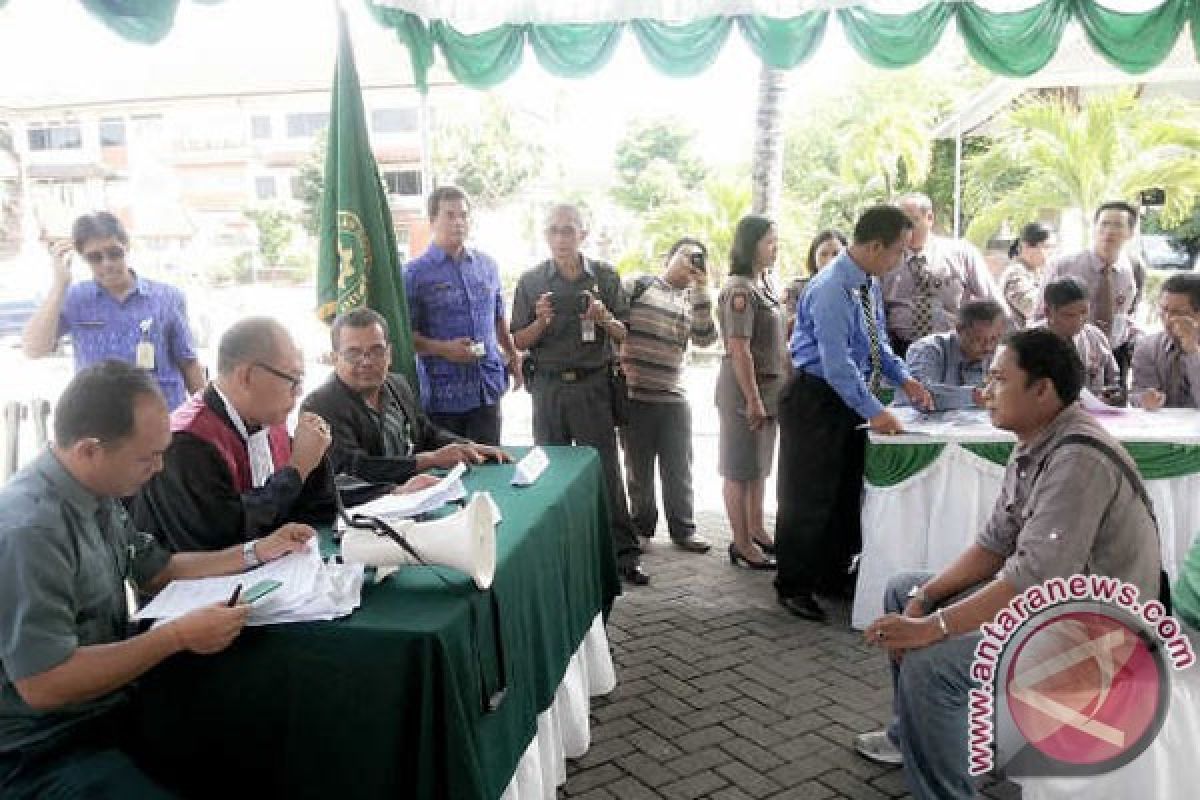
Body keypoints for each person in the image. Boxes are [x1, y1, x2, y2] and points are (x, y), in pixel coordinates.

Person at [855, 328, 1161, 800]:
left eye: (999, 379)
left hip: (1099, 638)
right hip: (1056, 611)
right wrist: (927, 599)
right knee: (904, 589)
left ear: (1042, 390)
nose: (986, 391)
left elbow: (1032, 579)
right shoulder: (1036, 440)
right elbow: (994, 544)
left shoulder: (1078, 459)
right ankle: (911, 737)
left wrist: (933, 628)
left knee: (933, 665)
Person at [0, 361, 313, 798]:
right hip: (40, 750)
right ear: (90, 450)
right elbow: (45, 683)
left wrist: (255, 551)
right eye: (147, 457)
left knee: (264, 742)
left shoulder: (99, 492)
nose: (160, 468)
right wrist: (175, 637)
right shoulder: (31, 529)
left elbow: (158, 571)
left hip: (113, 710)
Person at [775, 206, 934, 622]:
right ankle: (794, 584)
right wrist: (875, 410)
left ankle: (830, 574)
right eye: (897, 252)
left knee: (844, 493)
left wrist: (905, 380)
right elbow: (836, 363)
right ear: (875, 245)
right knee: (808, 495)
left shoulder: (867, 283)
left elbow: (878, 341)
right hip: (816, 398)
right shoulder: (830, 287)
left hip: (849, 398)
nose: (900, 260)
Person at [510, 204, 644, 585]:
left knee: (604, 470)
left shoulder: (604, 275)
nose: (561, 239)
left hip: (593, 385)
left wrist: (602, 316)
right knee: (550, 470)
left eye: (568, 230)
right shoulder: (532, 280)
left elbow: (623, 333)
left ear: (583, 233)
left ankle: (623, 553)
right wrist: (541, 321)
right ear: (545, 235)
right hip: (549, 386)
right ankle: (556, 549)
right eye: (554, 231)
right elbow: (518, 340)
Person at [130, 317, 332, 553]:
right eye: (292, 380)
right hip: (199, 584)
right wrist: (298, 468)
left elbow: (311, 511)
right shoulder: (185, 443)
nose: (299, 392)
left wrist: (315, 459)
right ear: (246, 376)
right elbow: (223, 537)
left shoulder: (268, 420)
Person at [301, 308, 509, 490]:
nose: (366, 362)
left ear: (389, 354)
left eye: (376, 351)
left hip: (416, 494)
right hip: (363, 514)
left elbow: (426, 433)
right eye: (354, 353)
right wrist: (430, 460)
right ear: (335, 358)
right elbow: (354, 469)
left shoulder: (398, 384)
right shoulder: (320, 405)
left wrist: (467, 446)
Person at [22, 212, 206, 410]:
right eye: (94, 257)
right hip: (101, 421)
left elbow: (188, 363)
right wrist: (59, 286)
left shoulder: (167, 297)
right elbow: (33, 349)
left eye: (114, 253)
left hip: (161, 418)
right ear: (82, 257)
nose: (107, 263)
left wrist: (210, 419)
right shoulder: (75, 300)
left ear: (126, 246)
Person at [618, 237, 717, 553]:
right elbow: (614, 322)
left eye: (697, 259)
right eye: (685, 256)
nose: (690, 263)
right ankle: (642, 527)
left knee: (679, 469)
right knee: (638, 471)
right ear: (669, 257)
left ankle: (683, 530)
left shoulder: (694, 298)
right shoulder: (638, 284)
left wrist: (703, 288)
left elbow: (705, 339)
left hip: (674, 398)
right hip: (635, 396)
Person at [404, 186, 522, 445]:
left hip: (487, 388)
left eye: (464, 215)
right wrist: (444, 349)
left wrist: (513, 356)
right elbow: (405, 338)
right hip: (443, 397)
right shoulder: (414, 274)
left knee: (491, 466)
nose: (458, 222)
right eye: (450, 215)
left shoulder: (487, 266)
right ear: (433, 220)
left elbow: (498, 317)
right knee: (452, 475)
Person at [716, 215, 789, 571]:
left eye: (775, 241)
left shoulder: (764, 285)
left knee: (758, 467)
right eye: (768, 241)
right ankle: (741, 543)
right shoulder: (740, 290)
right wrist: (753, 399)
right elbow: (739, 349)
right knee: (738, 468)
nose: (774, 247)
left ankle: (757, 530)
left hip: (769, 387)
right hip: (746, 390)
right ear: (750, 245)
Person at [880, 193, 1004, 357]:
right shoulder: (884, 260)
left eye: (911, 222)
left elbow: (993, 302)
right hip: (901, 350)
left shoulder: (960, 253)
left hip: (955, 349)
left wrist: (1006, 348)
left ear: (929, 218)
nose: (904, 230)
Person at [1039, 201, 1142, 384]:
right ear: (1094, 227)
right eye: (1104, 223)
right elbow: (1040, 312)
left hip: (1113, 353)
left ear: (1130, 233)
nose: (1109, 231)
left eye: (1117, 225)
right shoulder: (1064, 264)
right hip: (1065, 349)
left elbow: (1126, 314)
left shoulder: (1131, 270)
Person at [903, 299, 1005, 410]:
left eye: (994, 339)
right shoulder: (927, 349)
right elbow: (920, 395)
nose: (988, 347)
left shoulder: (1000, 355)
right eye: (978, 340)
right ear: (959, 329)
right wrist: (974, 396)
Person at [1131, 272, 1200, 410]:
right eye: (1164, 310)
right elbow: (1138, 393)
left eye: (1179, 313)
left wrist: (1192, 351)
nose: (1168, 319)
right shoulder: (1148, 347)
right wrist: (1144, 399)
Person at [1042, 277, 1119, 400]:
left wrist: (1111, 394)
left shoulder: (1095, 338)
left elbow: (1114, 380)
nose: (1078, 321)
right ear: (1048, 312)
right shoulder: (1031, 343)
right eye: (1069, 315)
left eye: (1084, 312)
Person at [783, 229, 847, 337]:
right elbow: (786, 327)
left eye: (836, 254)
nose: (830, 260)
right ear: (814, 257)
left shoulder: (857, 288)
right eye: (823, 254)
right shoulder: (797, 287)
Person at [998, 221, 1056, 329]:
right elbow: (1034, 308)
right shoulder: (1015, 274)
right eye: (1047, 247)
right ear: (1027, 246)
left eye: (1053, 248)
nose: (1051, 252)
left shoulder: (1040, 271)